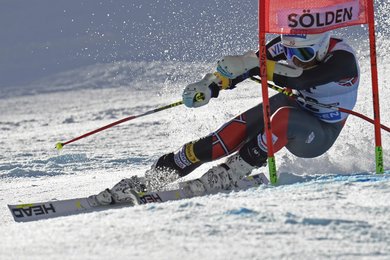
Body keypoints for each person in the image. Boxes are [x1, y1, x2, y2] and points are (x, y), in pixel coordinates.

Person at [93, 32, 360, 205]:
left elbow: (305, 78)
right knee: (224, 138)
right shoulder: (292, 43)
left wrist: (257, 65)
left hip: (319, 132)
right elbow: (246, 65)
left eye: (303, 55)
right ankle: (153, 178)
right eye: (289, 54)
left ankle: (232, 172)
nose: (295, 60)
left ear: (323, 48)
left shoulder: (343, 59)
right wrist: (211, 85)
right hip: (292, 105)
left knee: (283, 118)